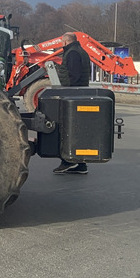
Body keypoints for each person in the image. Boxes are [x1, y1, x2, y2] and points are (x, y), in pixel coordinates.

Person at [53, 31, 91, 175]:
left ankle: (68, 161)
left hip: (74, 96)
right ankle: (81, 165)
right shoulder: (79, 51)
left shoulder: (73, 53)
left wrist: (67, 94)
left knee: (68, 129)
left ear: (65, 42)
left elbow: (73, 76)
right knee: (76, 129)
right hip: (79, 95)